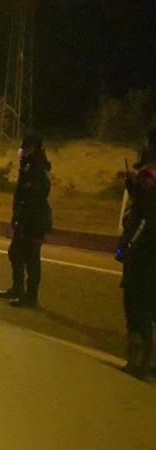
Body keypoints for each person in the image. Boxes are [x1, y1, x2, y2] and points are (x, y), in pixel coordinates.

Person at [117, 126, 156, 378]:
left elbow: (144, 219)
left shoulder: (149, 176)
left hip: (144, 255)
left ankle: (138, 362)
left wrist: (128, 247)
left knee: (136, 305)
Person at [0, 134, 52, 307]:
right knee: (15, 253)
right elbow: (21, 197)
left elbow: (36, 201)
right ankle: (17, 288)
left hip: (33, 221)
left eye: (23, 147)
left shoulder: (37, 168)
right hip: (24, 219)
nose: (20, 151)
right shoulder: (28, 166)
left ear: (32, 148)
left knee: (31, 258)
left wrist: (37, 230)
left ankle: (30, 296)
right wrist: (15, 219)